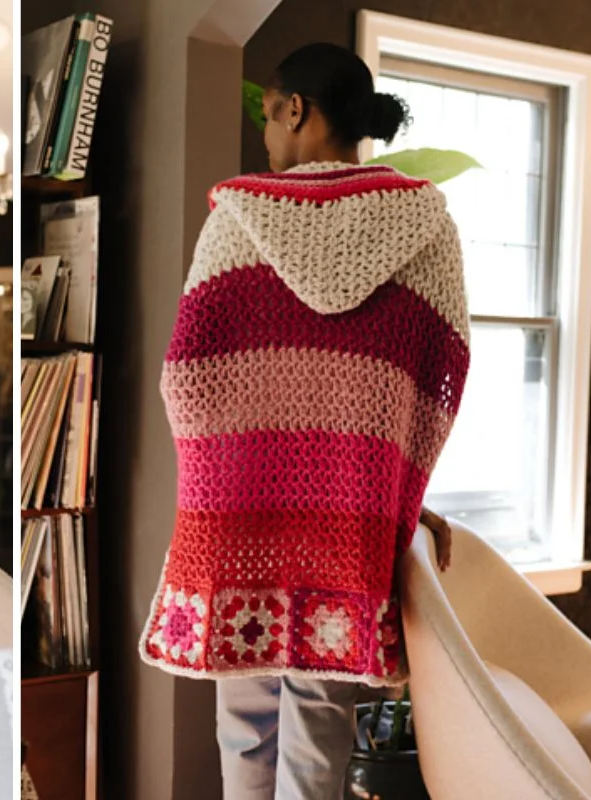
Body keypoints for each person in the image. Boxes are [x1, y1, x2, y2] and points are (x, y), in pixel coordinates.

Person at [139, 42, 468, 799]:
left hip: (240, 517)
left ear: (297, 110)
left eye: (268, 115)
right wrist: (399, 497)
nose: (266, 136)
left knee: (242, 725)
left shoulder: (238, 218)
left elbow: (185, 378)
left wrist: (218, 487)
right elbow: (436, 386)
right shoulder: (427, 225)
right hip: (347, 525)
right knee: (320, 727)